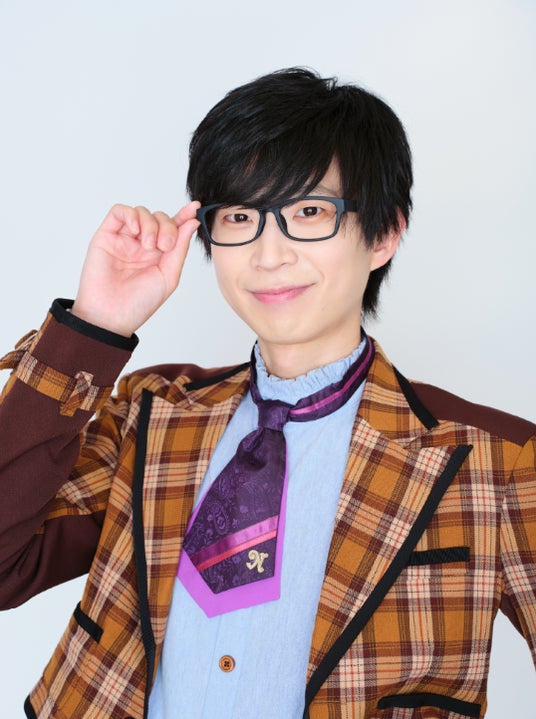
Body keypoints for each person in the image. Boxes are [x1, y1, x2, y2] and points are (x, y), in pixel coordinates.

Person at [0, 68, 534, 719]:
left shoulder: (494, 460)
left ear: (385, 234)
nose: (268, 253)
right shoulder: (153, 411)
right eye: (240, 217)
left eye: (309, 212)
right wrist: (93, 327)